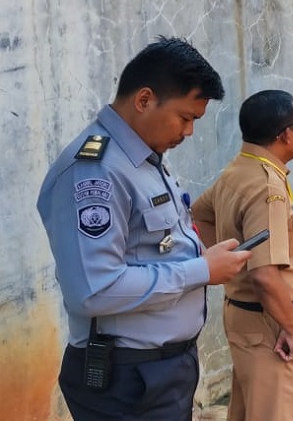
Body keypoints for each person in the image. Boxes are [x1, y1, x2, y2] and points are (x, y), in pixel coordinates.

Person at [35, 36, 252, 421]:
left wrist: (202, 258)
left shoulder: (144, 158)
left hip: (160, 371)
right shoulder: (96, 170)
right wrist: (201, 270)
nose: (189, 132)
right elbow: (94, 289)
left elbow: (152, 248)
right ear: (145, 100)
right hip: (127, 379)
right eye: (185, 118)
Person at [192, 90, 293, 421]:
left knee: (249, 412)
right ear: (285, 134)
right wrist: (292, 328)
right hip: (271, 321)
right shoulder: (266, 186)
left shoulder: (239, 169)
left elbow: (200, 214)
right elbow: (264, 275)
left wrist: (233, 264)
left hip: (248, 314)